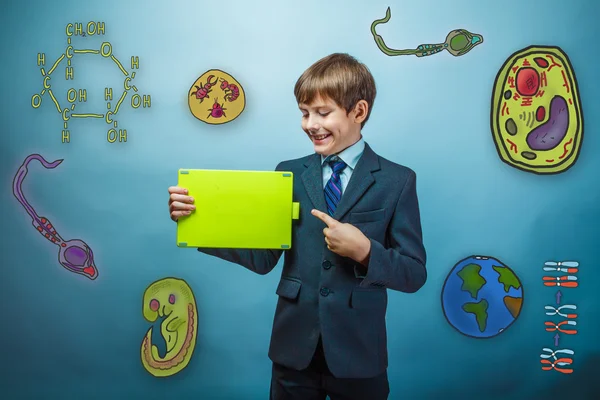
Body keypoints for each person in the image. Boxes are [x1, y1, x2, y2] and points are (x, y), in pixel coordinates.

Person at [168, 53, 427, 400]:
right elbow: (263, 257)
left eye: (323, 113)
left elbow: (413, 273)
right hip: (293, 350)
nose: (310, 124)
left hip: (359, 353)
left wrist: (365, 251)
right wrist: (195, 223)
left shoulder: (397, 181)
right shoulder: (288, 173)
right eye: (305, 113)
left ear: (359, 112)